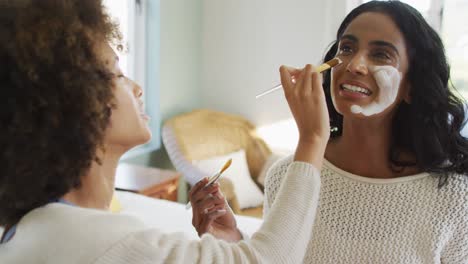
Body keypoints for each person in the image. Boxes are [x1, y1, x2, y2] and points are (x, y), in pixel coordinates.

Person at [0, 0, 331, 263]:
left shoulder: (32, 230)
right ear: (72, 104)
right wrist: (312, 139)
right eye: (116, 74)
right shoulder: (98, 239)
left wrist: (222, 246)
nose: (137, 88)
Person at [191, 1, 468, 263]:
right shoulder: (288, 176)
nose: (354, 65)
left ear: (411, 86)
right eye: (346, 48)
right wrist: (234, 241)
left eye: (381, 54)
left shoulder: (455, 196)